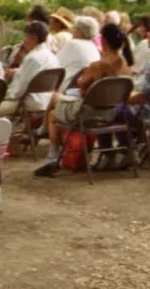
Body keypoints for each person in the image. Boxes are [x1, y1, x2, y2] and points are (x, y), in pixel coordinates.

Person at [33, 22, 132, 177]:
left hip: (89, 114)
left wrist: (81, 82)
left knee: (53, 114)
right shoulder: (125, 65)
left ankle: (52, 157)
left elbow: (83, 92)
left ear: (104, 41)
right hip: (112, 113)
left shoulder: (98, 65)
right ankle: (48, 142)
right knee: (56, 98)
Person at [0, 20, 60, 119]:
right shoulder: (51, 56)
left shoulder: (33, 58)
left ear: (34, 39)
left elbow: (19, 91)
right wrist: (15, 72)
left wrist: (1, 95)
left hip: (30, 101)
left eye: (26, 37)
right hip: (46, 100)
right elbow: (34, 74)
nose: (24, 40)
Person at [55, 15, 101, 90]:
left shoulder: (73, 44)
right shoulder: (94, 47)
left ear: (79, 31)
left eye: (74, 28)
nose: (72, 30)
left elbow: (55, 64)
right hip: (84, 88)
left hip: (68, 88)